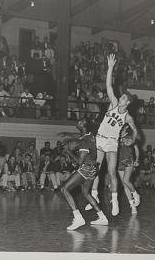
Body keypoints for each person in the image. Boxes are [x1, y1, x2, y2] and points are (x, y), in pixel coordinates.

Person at [85, 54, 138, 216]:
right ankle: (94, 196)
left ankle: (114, 199)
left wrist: (132, 140)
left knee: (111, 172)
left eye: (122, 98)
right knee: (95, 169)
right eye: (120, 97)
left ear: (127, 102)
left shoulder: (128, 117)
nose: (120, 99)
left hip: (112, 143)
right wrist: (110, 68)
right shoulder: (113, 104)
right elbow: (108, 86)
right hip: (100, 138)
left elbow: (135, 130)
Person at [61, 119, 109, 230]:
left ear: (84, 127)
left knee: (64, 189)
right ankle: (102, 217)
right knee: (86, 193)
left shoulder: (84, 141)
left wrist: (68, 151)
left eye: (81, 121)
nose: (78, 121)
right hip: (93, 168)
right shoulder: (90, 135)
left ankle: (78, 218)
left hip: (86, 168)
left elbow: (80, 161)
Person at [117, 124, 140, 214]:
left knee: (126, 180)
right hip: (119, 162)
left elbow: (136, 149)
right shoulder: (116, 138)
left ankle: (135, 193)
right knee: (124, 184)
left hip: (129, 160)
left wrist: (137, 159)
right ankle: (132, 206)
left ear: (125, 129)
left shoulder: (130, 137)